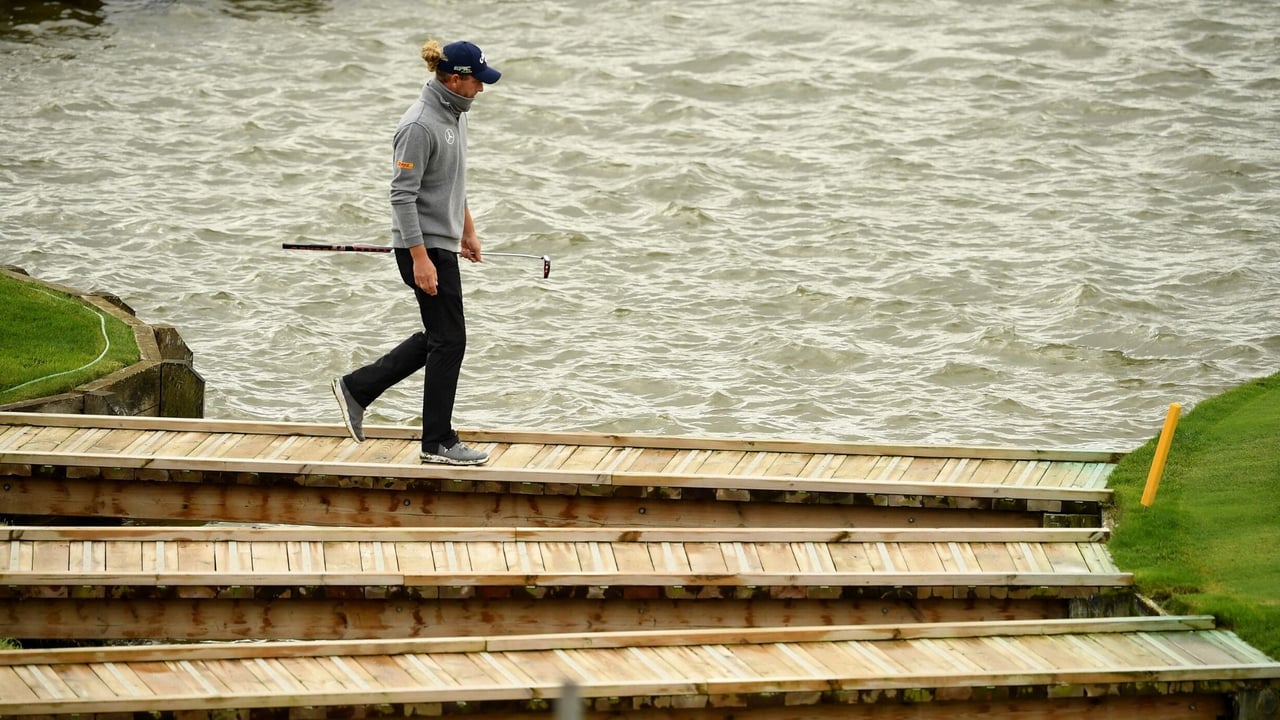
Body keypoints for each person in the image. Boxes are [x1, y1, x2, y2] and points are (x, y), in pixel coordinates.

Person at [331, 39, 501, 465]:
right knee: (450, 340)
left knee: (441, 338)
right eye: (477, 81)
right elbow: (402, 196)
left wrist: (468, 231)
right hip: (422, 249)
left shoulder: (456, 115)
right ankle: (437, 442)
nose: (482, 88)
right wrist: (421, 259)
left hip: (442, 244)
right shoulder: (419, 126)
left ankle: (357, 389)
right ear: (455, 79)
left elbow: (451, 182)